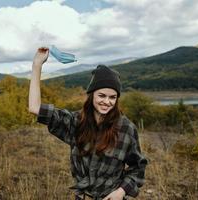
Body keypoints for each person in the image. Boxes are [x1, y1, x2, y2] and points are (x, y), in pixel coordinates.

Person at [29, 47, 148, 200]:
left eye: (112, 97)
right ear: (92, 95)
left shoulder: (126, 129)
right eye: (102, 95)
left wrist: (121, 191)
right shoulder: (75, 122)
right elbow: (34, 108)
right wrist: (37, 65)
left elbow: (138, 167)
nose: (107, 101)